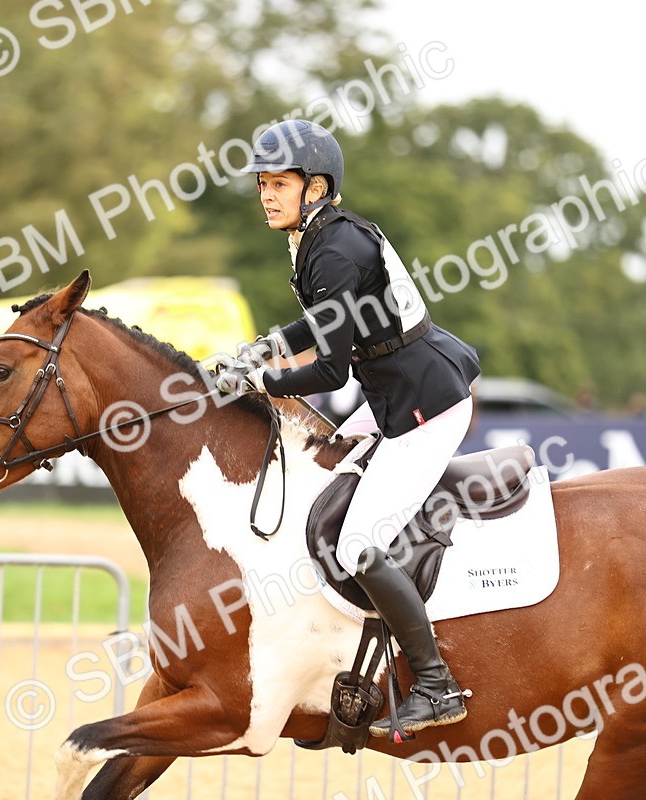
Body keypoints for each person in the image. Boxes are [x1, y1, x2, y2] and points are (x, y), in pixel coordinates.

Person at [213, 120, 482, 737]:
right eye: (262, 184)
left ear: (315, 188)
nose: (267, 195)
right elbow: (321, 324)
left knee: (357, 543)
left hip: (425, 403)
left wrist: (259, 382)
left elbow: (331, 371)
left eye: (279, 183)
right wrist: (264, 348)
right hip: (398, 392)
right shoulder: (321, 239)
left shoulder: (333, 248)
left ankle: (437, 685)